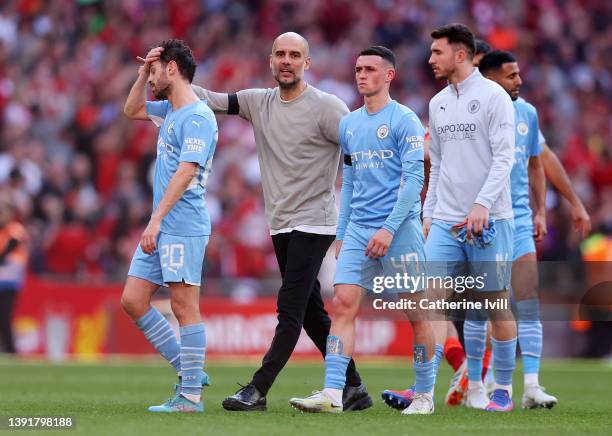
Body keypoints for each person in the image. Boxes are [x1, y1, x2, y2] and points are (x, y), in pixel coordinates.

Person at [141, 32, 371, 412]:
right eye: (280, 53)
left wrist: (353, 214)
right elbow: (206, 99)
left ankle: (258, 389)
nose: (286, 60)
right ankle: (354, 387)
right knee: (313, 314)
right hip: (280, 223)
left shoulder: (329, 107)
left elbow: (359, 151)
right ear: (270, 60)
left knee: (290, 309)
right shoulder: (258, 101)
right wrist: (163, 72)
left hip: (315, 222)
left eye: (295, 55)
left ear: (307, 64)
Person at [288, 46, 435, 415]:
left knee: (417, 313)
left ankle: (424, 395)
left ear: (389, 75)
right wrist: (342, 231)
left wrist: (388, 228)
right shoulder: (350, 124)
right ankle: (333, 393)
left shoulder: (405, 120)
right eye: (357, 69)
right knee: (343, 306)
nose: (361, 75)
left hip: (399, 230)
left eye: (370, 69)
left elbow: (414, 179)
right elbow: (349, 181)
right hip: (357, 230)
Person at [425, 23, 517, 412]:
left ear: (460, 55)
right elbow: (440, 166)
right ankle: (423, 391)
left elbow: (504, 157)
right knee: (427, 300)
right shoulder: (437, 103)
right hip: (446, 221)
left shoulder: (494, 97)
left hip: (490, 219)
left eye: (437, 53)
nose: (431, 60)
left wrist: (482, 204)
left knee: (494, 304)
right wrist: (429, 215)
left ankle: (503, 390)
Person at [121, 39, 217, 413]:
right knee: (132, 299)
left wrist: (155, 220)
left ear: (173, 68)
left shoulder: (196, 116)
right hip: (162, 225)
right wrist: (144, 71)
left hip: (182, 224)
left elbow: (186, 171)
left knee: (183, 305)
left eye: (156, 68)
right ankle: (189, 368)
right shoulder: (168, 111)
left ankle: (190, 397)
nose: (150, 78)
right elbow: (130, 110)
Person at [0, 190, 28, 354]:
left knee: (5, 315)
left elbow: (10, 248)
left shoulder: (15, 229)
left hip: (10, 280)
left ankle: (10, 349)